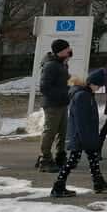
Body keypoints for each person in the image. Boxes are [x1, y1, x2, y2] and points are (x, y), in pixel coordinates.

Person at [50, 69, 107, 198]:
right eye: (99, 85)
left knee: (93, 158)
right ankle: (58, 186)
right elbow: (81, 121)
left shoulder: (86, 94)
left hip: (85, 135)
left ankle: (98, 182)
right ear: (92, 83)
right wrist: (87, 139)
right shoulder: (82, 96)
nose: (99, 88)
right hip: (81, 136)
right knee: (72, 161)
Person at [37, 39, 71, 172]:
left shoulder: (62, 64)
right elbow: (44, 87)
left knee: (62, 132)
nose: (69, 50)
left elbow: (65, 80)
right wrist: (61, 95)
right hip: (52, 104)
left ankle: (60, 156)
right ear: (60, 51)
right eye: (67, 48)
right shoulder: (50, 65)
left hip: (62, 103)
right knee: (50, 131)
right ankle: (45, 159)